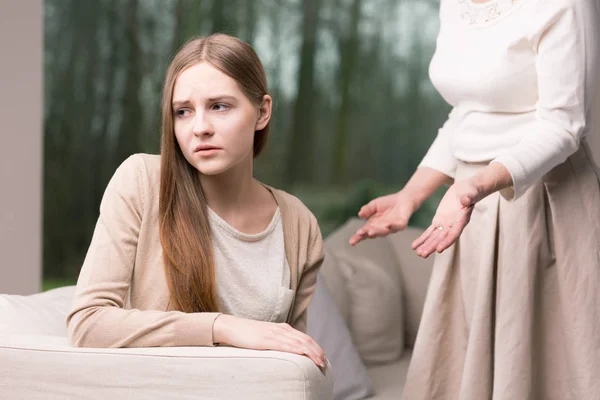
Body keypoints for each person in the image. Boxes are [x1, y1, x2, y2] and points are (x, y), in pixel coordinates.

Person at [350, 0, 600, 398]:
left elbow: (564, 126)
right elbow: (467, 113)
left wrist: (476, 185)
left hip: (543, 203)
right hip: (467, 209)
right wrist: (411, 196)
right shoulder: (454, 4)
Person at [67, 34, 327, 369]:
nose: (200, 128)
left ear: (262, 112)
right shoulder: (142, 182)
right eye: (183, 112)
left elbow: (295, 357)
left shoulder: (298, 223)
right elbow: (88, 323)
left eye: (219, 106)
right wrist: (223, 327)